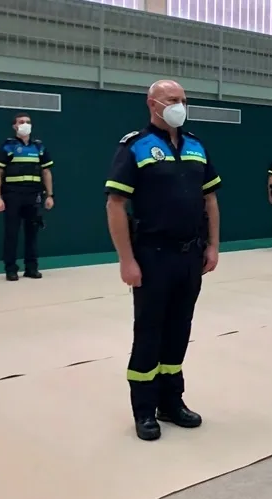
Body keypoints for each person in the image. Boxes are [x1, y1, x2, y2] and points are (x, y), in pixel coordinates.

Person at [104, 79, 223, 442]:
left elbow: (211, 201)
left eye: (183, 99)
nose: (179, 105)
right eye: (172, 99)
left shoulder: (197, 146)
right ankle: (144, 410)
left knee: (178, 331)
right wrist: (127, 260)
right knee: (149, 332)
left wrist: (214, 246)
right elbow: (115, 204)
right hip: (152, 256)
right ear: (152, 104)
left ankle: (171, 402)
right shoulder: (136, 147)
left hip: (190, 256)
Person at [0, 113, 55, 281]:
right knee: (11, 232)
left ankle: (31, 268)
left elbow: (46, 171)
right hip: (12, 194)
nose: (25, 124)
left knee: (32, 232)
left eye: (28, 122)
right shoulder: (8, 146)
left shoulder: (39, 147)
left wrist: (50, 195)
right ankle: (11, 269)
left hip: (34, 194)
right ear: (15, 126)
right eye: (21, 122)